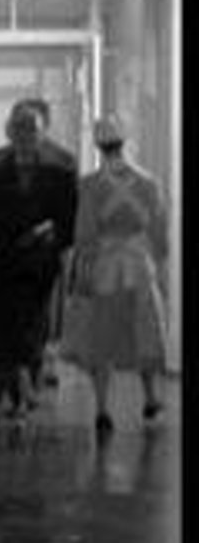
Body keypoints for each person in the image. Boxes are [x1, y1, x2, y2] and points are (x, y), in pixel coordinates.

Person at [0, 103, 77, 427]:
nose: (26, 135)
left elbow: (70, 224)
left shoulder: (59, 174)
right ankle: (7, 393)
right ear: (9, 132)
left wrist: (52, 238)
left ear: (43, 133)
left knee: (29, 329)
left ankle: (5, 393)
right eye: (20, 128)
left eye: (32, 129)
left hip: (37, 266)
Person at [68, 116, 169, 437]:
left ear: (98, 146)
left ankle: (102, 408)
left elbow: (84, 233)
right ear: (125, 142)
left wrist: (81, 271)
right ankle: (150, 396)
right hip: (139, 265)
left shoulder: (90, 185)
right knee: (144, 330)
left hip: (104, 266)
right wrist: (159, 264)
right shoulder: (148, 183)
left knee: (102, 335)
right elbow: (159, 233)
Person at [13, 96, 78, 389]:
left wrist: (56, 234)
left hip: (49, 248)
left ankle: (43, 361)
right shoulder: (4, 159)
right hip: (15, 248)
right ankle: (22, 368)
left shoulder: (63, 160)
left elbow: (70, 208)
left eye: (32, 123)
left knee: (48, 308)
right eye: (21, 122)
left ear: (44, 124)